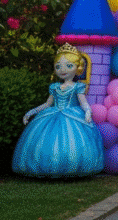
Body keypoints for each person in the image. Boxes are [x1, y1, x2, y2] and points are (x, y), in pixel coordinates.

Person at [12, 44, 104, 178]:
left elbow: (83, 103)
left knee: (72, 142)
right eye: (58, 66)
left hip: (73, 116)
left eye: (68, 66)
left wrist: (88, 111)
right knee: (45, 141)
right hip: (52, 115)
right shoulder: (55, 87)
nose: (63, 70)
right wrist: (31, 112)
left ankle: (71, 167)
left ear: (77, 67)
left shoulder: (78, 87)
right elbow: (48, 103)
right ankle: (46, 166)